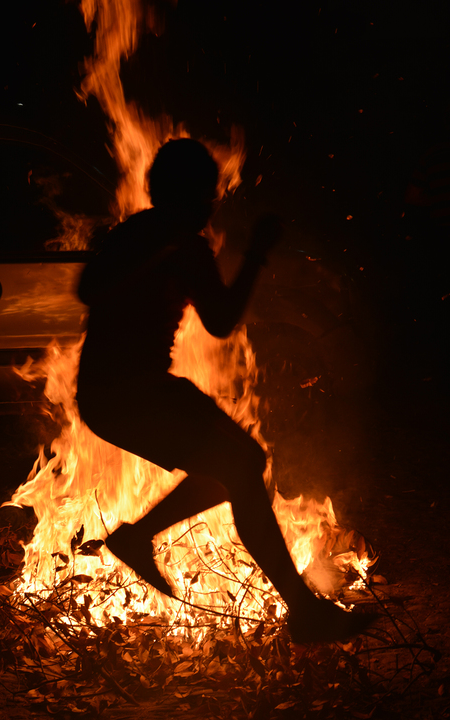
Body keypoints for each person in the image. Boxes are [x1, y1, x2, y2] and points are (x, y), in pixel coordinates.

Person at [76, 138, 375, 643]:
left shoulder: (139, 232)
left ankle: (138, 537)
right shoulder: (173, 242)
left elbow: (89, 287)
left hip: (114, 395)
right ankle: (304, 612)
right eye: (207, 195)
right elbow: (219, 321)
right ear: (191, 197)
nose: (212, 206)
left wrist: (150, 252)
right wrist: (255, 254)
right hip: (132, 396)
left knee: (243, 464)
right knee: (241, 467)